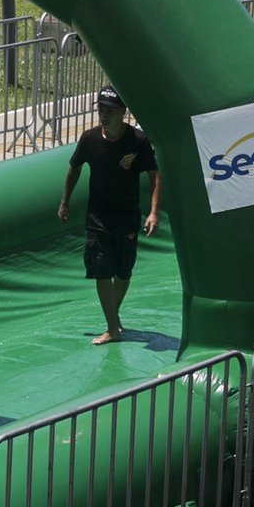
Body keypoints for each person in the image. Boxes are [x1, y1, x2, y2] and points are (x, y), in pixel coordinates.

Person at [57, 87, 162, 344]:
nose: (104, 116)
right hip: (98, 218)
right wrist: (65, 202)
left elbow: (154, 174)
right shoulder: (90, 139)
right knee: (102, 271)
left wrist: (154, 212)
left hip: (127, 216)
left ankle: (113, 319)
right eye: (101, 110)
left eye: (110, 112)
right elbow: (74, 169)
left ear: (123, 113)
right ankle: (112, 327)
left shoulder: (138, 141)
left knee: (123, 273)